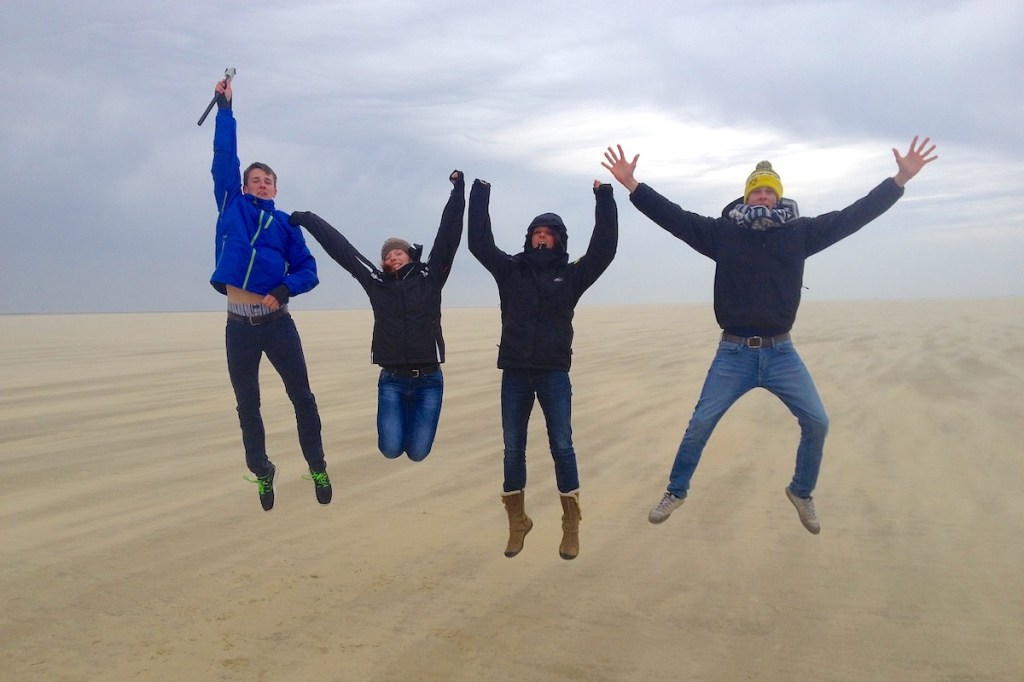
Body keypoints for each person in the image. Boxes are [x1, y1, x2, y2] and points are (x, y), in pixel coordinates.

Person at [602, 137, 937, 534]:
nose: (763, 196)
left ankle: (801, 491)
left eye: (769, 191)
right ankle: (676, 490)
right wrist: (633, 187)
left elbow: (853, 216)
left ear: (778, 197)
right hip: (733, 353)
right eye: (757, 190)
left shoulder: (800, 234)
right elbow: (675, 217)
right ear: (747, 196)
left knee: (818, 422)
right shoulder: (722, 234)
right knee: (699, 425)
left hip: (782, 353)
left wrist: (898, 180)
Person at [468, 177, 618, 560]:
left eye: (549, 234)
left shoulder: (570, 275)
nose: (541, 238)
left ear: (560, 240)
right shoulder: (510, 270)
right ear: (528, 237)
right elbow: (479, 244)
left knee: (562, 447)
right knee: (513, 449)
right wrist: (480, 193)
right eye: (536, 232)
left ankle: (571, 526)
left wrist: (605, 197)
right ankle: (518, 523)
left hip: (553, 372)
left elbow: (604, 250)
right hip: (515, 372)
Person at [209, 77, 332, 512]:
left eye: (269, 181)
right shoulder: (232, 206)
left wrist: (283, 289)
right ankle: (262, 471)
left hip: (277, 324)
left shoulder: (284, 226)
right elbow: (225, 158)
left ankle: (316, 464)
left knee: (302, 396)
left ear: (276, 190)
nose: (262, 185)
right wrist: (225, 110)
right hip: (238, 326)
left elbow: (309, 271)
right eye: (256, 180)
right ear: (244, 187)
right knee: (248, 405)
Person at [288, 171, 466, 461]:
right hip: (393, 380)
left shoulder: (430, 278)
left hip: (429, 380)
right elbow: (343, 250)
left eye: (398, 253)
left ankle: (413, 416)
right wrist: (308, 219)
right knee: (390, 449)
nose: (392, 257)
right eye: (387, 255)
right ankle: (400, 415)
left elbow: (448, 237)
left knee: (418, 453)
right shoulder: (376, 283)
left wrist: (457, 192)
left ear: (410, 256)